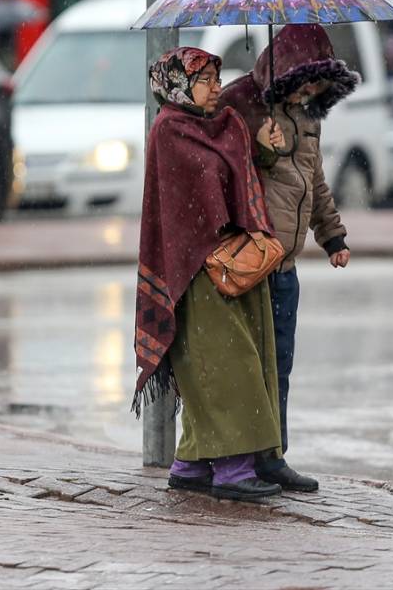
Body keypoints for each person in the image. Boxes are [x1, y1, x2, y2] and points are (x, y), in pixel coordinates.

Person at [132, 46, 289, 502]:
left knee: (236, 362)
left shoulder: (226, 126)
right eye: (205, 80)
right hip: (197, 272)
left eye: (217, 78)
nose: (217, 87)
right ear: (179, 85)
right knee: (223, 368)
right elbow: (186, 210)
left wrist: (261, 149)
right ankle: (233, 470)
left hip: (236, 264)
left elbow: (236, 180)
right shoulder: (170, 131)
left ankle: (191, 462)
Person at [218, 25, 358, 493]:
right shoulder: (247, 111)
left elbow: (314, 185)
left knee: (280, 365)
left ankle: (272, 454)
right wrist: (262, 151)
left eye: (319, 84)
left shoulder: (309, 120)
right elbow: (231, 178)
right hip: (253, 259)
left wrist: (332, 236)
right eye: (303, 81)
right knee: (248, 368)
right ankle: (241, 459)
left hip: (286, 268)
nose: (309, 92)